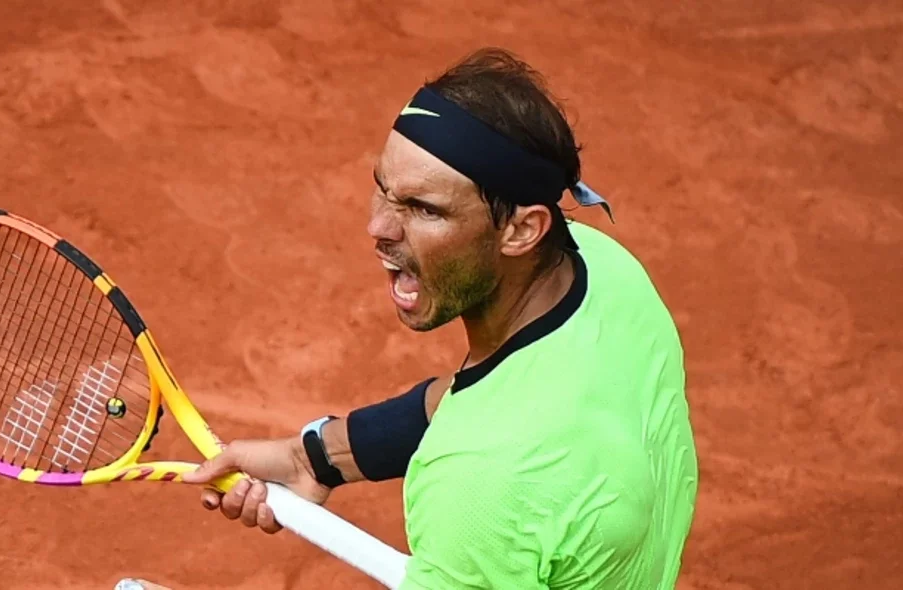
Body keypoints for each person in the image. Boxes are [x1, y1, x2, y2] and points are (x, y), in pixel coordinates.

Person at [118, 47, 698, 589]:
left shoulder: (479, 483)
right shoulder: (607, 274)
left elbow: (498, 450)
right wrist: (314, 457)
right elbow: (487, 394)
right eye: (384, 192)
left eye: (424, 209)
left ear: (522, 229)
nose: (380, 229)